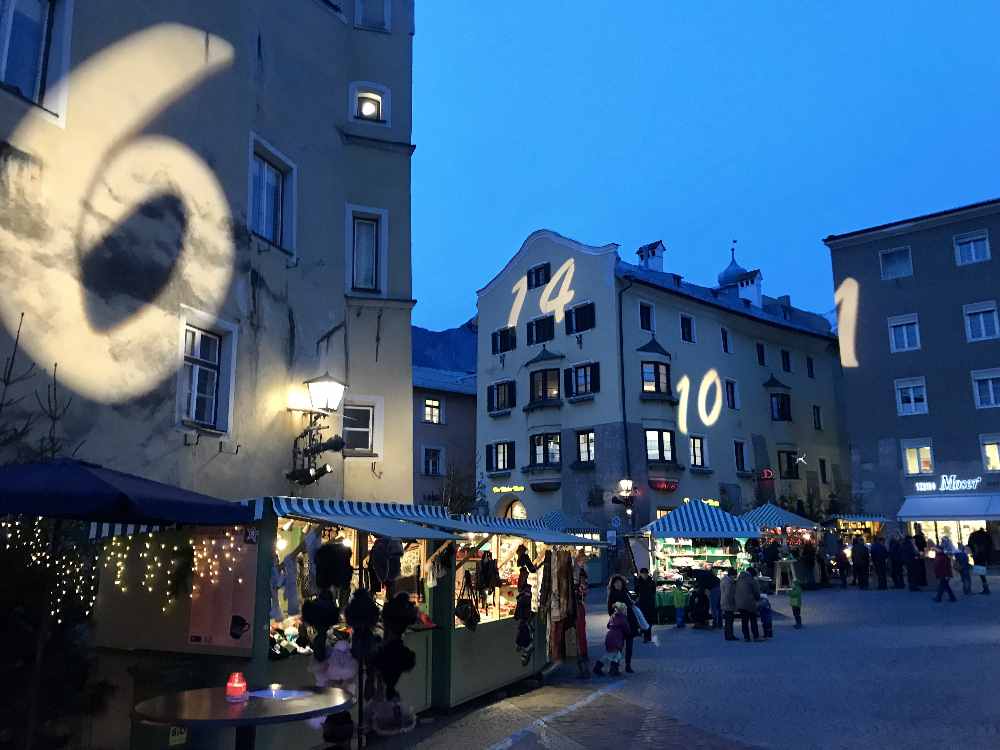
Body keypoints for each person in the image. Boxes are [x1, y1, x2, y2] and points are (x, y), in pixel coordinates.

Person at [606, 575, 640, 673]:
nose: (618, 584)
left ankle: (626, 665)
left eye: (620, 583)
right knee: (618, 647)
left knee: (628, 646)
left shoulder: (625, 592)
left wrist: (632, 603)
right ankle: (614, 666)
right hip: (620, 623)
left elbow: (630, 605)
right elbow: (610, 610)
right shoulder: (612, 594)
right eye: (616, 583)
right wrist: (618, 611)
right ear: (613, 584)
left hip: (630, 622)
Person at [593, 601, 630, 677]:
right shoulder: (623, 618)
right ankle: (610, 670)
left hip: (609, 636)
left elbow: (608, 625)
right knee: (614, 655)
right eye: (625, 609)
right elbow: (627, 630)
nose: (626, 610)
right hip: (617, 638)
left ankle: (610, 669)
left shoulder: (613, 616)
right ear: (622, 610)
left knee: (612, 654)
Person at [734, 567, 762, 642]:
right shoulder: (752, 580)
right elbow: (756, 593)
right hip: (750, 603)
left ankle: (746, 637)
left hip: (740, 603)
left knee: (744, 620)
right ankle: (756, 636)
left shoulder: (739, 579)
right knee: (753, 619)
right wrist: (758, 599)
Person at [635, 568, 656, 643]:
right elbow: (636, 591)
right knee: (644, 619)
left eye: (645, 573)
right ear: (641, 574)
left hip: (650, 602)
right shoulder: (638, 582)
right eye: (643, 573)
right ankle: (645, 636)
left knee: (649, 620)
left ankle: (648, 636)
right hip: (642, 603)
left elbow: (654, 591)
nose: (644, 575)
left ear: (647, 573)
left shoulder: (651, 581)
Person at [968, 528, 992, 595]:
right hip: (983, 556)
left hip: (977, 557)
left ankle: (986, 589)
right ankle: (986, 588)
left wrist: (973, 552)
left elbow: (969, 544)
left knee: (981, 574)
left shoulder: (973, 536)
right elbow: (990, 545)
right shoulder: (986, 535)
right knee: (982, 573)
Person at [720, 567, 738, 641]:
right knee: (729, 620)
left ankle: (728, 635)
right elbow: (728, 594)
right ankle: (729, 635)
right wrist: (733, 602)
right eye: (734, 576)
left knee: (728, 620)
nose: (735, 577)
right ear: (732, 575)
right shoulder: (729, 582)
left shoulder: (724, 580)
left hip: (724, 602)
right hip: (728, 603)